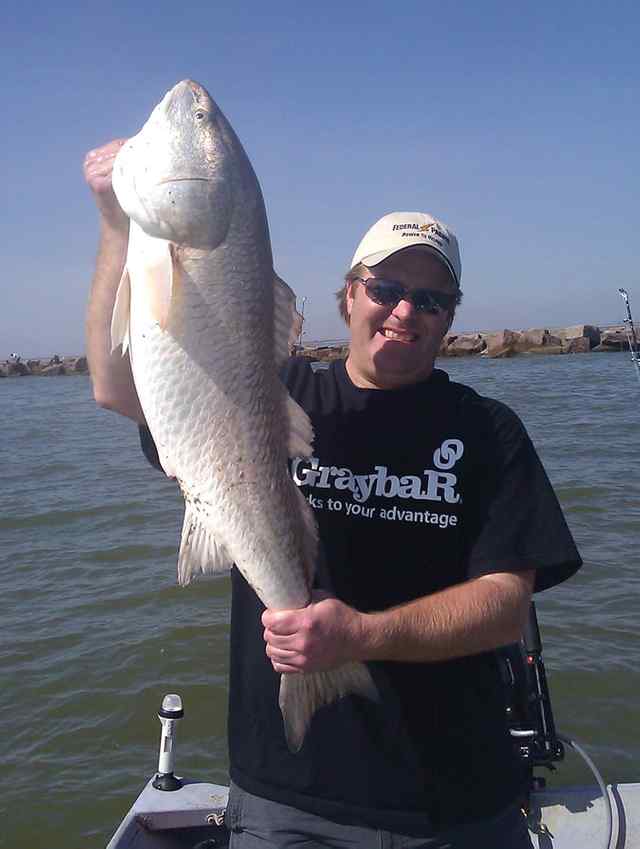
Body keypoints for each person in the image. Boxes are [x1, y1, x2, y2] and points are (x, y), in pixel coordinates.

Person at [84, 141, 582, 849]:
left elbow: (505, 606)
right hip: (287, 799)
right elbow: (114, 386)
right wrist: (113, 222)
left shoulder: (488, 430)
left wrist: (360, 636)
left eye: (431, 299)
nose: (405, 310)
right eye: (385, 288)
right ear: (348, 293)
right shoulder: (264, 391)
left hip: (458, 805)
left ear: (450, 318)